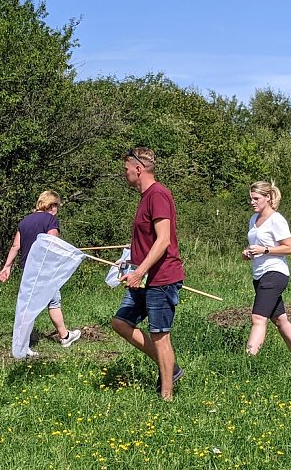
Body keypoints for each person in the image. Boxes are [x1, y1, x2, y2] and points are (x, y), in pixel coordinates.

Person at [111, 147, 185, 401]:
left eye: (126, 169)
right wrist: (128, 267)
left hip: (161, 279)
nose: (125, 173)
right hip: (142, 278)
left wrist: (139, 271)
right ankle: (171, 368)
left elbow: (164, 240)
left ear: (138, 169)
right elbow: (146, 243)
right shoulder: (145, 197)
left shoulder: (158, 195)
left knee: (160, 335)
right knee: (120, 323)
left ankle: (167, 398)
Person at [0, 190, 82, 356]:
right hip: (43, 270)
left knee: (51, 300)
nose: (57, 209)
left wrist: (7, 266)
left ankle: (64, 335)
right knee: (35, 306)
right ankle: (23, 346)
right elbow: (52, 244)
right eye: (56, 205)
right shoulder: (51, 220)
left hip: (27, 270)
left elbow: (16, 246)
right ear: (51, 205)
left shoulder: (24, 222)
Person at [242, 181, 291, 359]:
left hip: (275, 273)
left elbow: (290, 248)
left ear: (268, 198)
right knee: (279, 319)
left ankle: (249, 360)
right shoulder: (253, 220)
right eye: (251, 199)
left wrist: (265, 250)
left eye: (256, 198)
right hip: (259, 273)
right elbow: (257, 245)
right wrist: (249, 252)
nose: (252, 202)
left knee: (258, 318)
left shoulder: (277, 220)